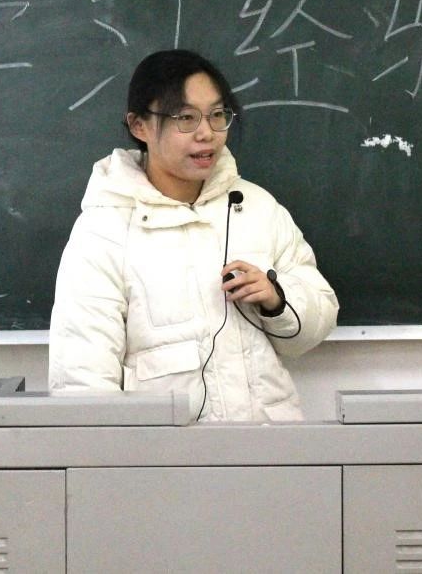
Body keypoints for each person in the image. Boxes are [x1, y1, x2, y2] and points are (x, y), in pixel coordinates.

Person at [48, 49, 339, 422]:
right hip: (167, 452)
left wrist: (277, 301)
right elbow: (83, 381)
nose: (207, 133)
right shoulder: (104, 231)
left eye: (217, 115)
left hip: (270, 444)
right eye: (185, 118)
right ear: (139, 126)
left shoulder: (256, 207)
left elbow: (315, 326)